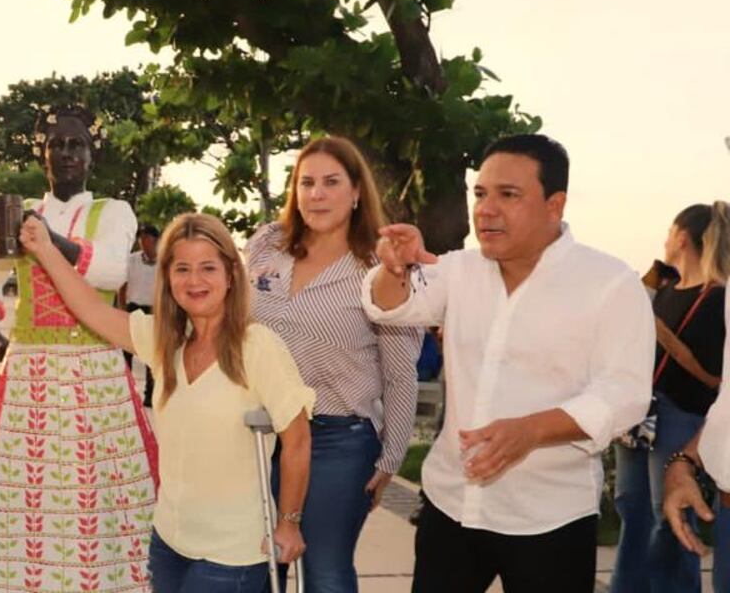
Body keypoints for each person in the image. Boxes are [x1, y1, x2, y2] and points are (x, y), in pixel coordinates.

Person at [363, 133, 654, 593]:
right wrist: (394, 269)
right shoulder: (459, 270)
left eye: (508, 195)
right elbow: (391, 307)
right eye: (480, 194)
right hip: (451, 505)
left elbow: (625, 393)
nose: (486, 209)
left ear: (555, 205)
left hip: (550, 516)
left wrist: (532, 431)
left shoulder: (609, 283)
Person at [20, 211, 315, 592]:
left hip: (232, 552)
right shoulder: (166, 341)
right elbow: (91, 310)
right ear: (168, 278)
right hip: (169, 542)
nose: (194, 281)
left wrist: (289, 522)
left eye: (208, 268)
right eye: (182, 269)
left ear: (230, 274)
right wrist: (45, 248)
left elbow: (298, 439)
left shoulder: (258, 347)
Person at [0, 104, 159, 592]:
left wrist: (49, 241)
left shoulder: (111, 211)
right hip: (29, 376)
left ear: (93, 155)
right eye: (57, 144)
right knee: (29, 500)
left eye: (78, 145)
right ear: (43, 154)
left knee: (94, 496)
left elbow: (111, 271)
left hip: (93, 372)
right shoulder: (23, 212)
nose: (67, 153)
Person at [245, 136, 421, 593]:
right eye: (306, 183)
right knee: (255, 568)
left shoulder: (379, 266)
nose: (316, 194)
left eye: (331, 182)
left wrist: (390, 457)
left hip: (336, 439)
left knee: (323, 570)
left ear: (357, 191)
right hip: (262, 432)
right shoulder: (268, 243)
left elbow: (400, 373)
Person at [612, 203, 728, 593]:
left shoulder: (716, 297)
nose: (664, 240)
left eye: (668, 233)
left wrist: (661, 333)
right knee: (631, 508)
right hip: (642, 412)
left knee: (670, 515)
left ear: (681, 238)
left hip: (680, 415)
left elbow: (713, 377)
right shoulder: (663, 289)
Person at [120, 223, 159, 405]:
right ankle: (126, 391)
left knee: (151, 352)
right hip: (133, 307)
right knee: (126, 351)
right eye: (140, 238)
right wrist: (122, 308)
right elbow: (123, 285)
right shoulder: (132, 260)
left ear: (155, 240)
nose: (142, 241)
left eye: (146, 238)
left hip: (153, 310)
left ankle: (150, 394)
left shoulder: (164, 262)